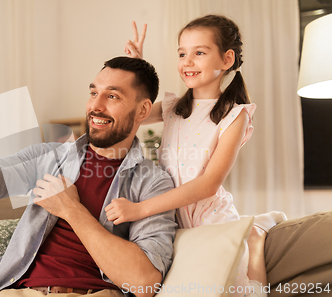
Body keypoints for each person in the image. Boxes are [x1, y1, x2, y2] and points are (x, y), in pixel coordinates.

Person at [0, 49, 176, 297]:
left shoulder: (152, 182)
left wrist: (71, 209)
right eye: (93, 93)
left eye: (112, 96)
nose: (95, 106)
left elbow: (144, 282)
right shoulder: (48, 158)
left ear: (143, 110)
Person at [105, 15, 287, 297]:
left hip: (210, 219)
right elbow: (134, 113)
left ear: (226, 60)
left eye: (199, 53)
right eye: (182, 53)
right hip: (173, 219)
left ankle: (255, 239)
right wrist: (138, 70)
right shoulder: (172, 107)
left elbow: (208, 184)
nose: (187, 62)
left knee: (236, 290)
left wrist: (140, 209)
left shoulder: (234, 116)